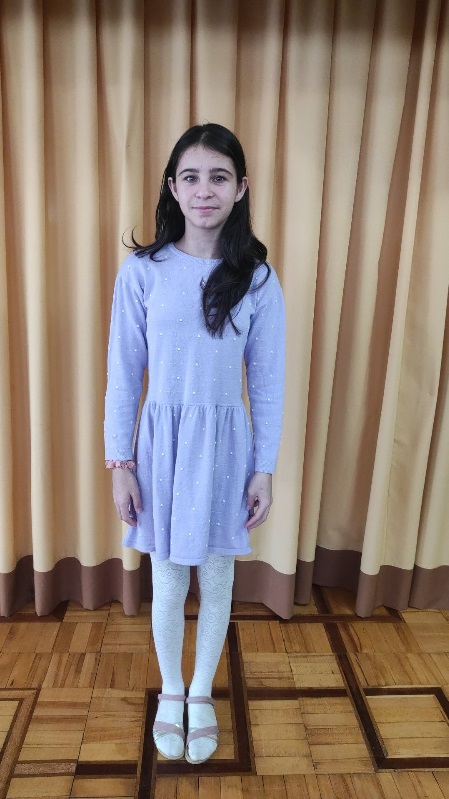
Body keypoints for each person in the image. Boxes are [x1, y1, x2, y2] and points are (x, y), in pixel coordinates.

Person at [104, 123, 285, 764]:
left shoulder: (257, 280)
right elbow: (124, 373)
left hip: (225, 451)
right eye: (191, 177)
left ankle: (203, 690)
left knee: (215, 576)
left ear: (240, 188)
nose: (204, 190)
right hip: (159, 449)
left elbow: (266, 384)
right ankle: (172, 691)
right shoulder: (143, 272)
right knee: (168, 577)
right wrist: (120, 463)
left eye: (218, 177)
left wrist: (264, 468)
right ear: (173, 188)